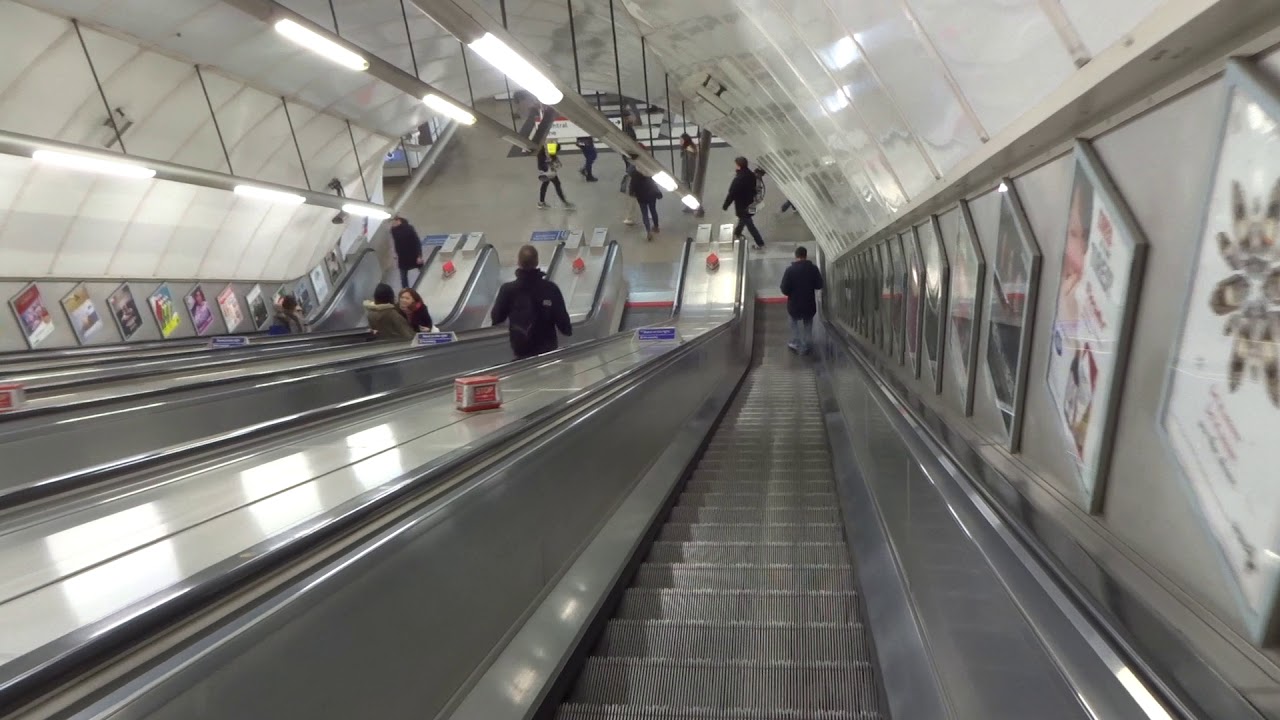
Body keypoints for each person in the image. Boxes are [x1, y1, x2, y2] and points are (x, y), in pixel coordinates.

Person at [491, 244, 572, 359]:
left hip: (521, 349)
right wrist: (567, 330)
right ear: (537, 262)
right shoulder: (550, 288)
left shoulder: (508, 290)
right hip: (547, 349)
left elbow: (497, 317)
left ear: (518, 262)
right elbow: (562, 320)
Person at [780, 245, 823, 355]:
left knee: (793, 321)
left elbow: (784, 289)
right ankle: (807, 343)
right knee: (808, 322)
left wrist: (791, 293)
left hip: (794, 305)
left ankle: (796, 342)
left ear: (796, 256)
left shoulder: (789, 270)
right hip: (809, 304)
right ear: (806, 255)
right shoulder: (813, 269)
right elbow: (819, 285)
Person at [723, 156, 765, 250]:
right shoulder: (751, 174)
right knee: (743, 220)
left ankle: (760, 243)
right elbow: (754, 188)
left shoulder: (738, 179)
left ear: (738, 166)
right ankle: (737, 233)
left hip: (742, 206)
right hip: (750, 203)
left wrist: (726, 205)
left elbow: (732, 193)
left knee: (750, 225)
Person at [628, 156, 663, 241]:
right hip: (651, 194)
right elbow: (654, 183)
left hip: (641, 196)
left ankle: (648, 232)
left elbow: (632, 185)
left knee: (645, 214)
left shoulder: (634, 174)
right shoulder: (649, 171)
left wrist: (632, 193)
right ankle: (656, 227)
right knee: (653, 210)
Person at [537, 143, 573, 210]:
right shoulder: (548, 154)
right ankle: (565, 203)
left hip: (545, 173)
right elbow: (554, 164)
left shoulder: (544, 152)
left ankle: (541, 203)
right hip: (549, 173)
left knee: (545, 186)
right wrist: (553, 165)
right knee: (557, 185)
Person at [390, 216, 423, 288]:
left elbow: (417, 242)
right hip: (402, 258)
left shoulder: (409, 228)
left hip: (413, 255)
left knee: (423, 271)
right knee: (403, 278)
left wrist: (419, 256)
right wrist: (395, 253)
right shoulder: (393, 230)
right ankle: (406, 290)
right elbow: (396, 242)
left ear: (398, 221)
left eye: (393, 221)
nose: (392, 224)